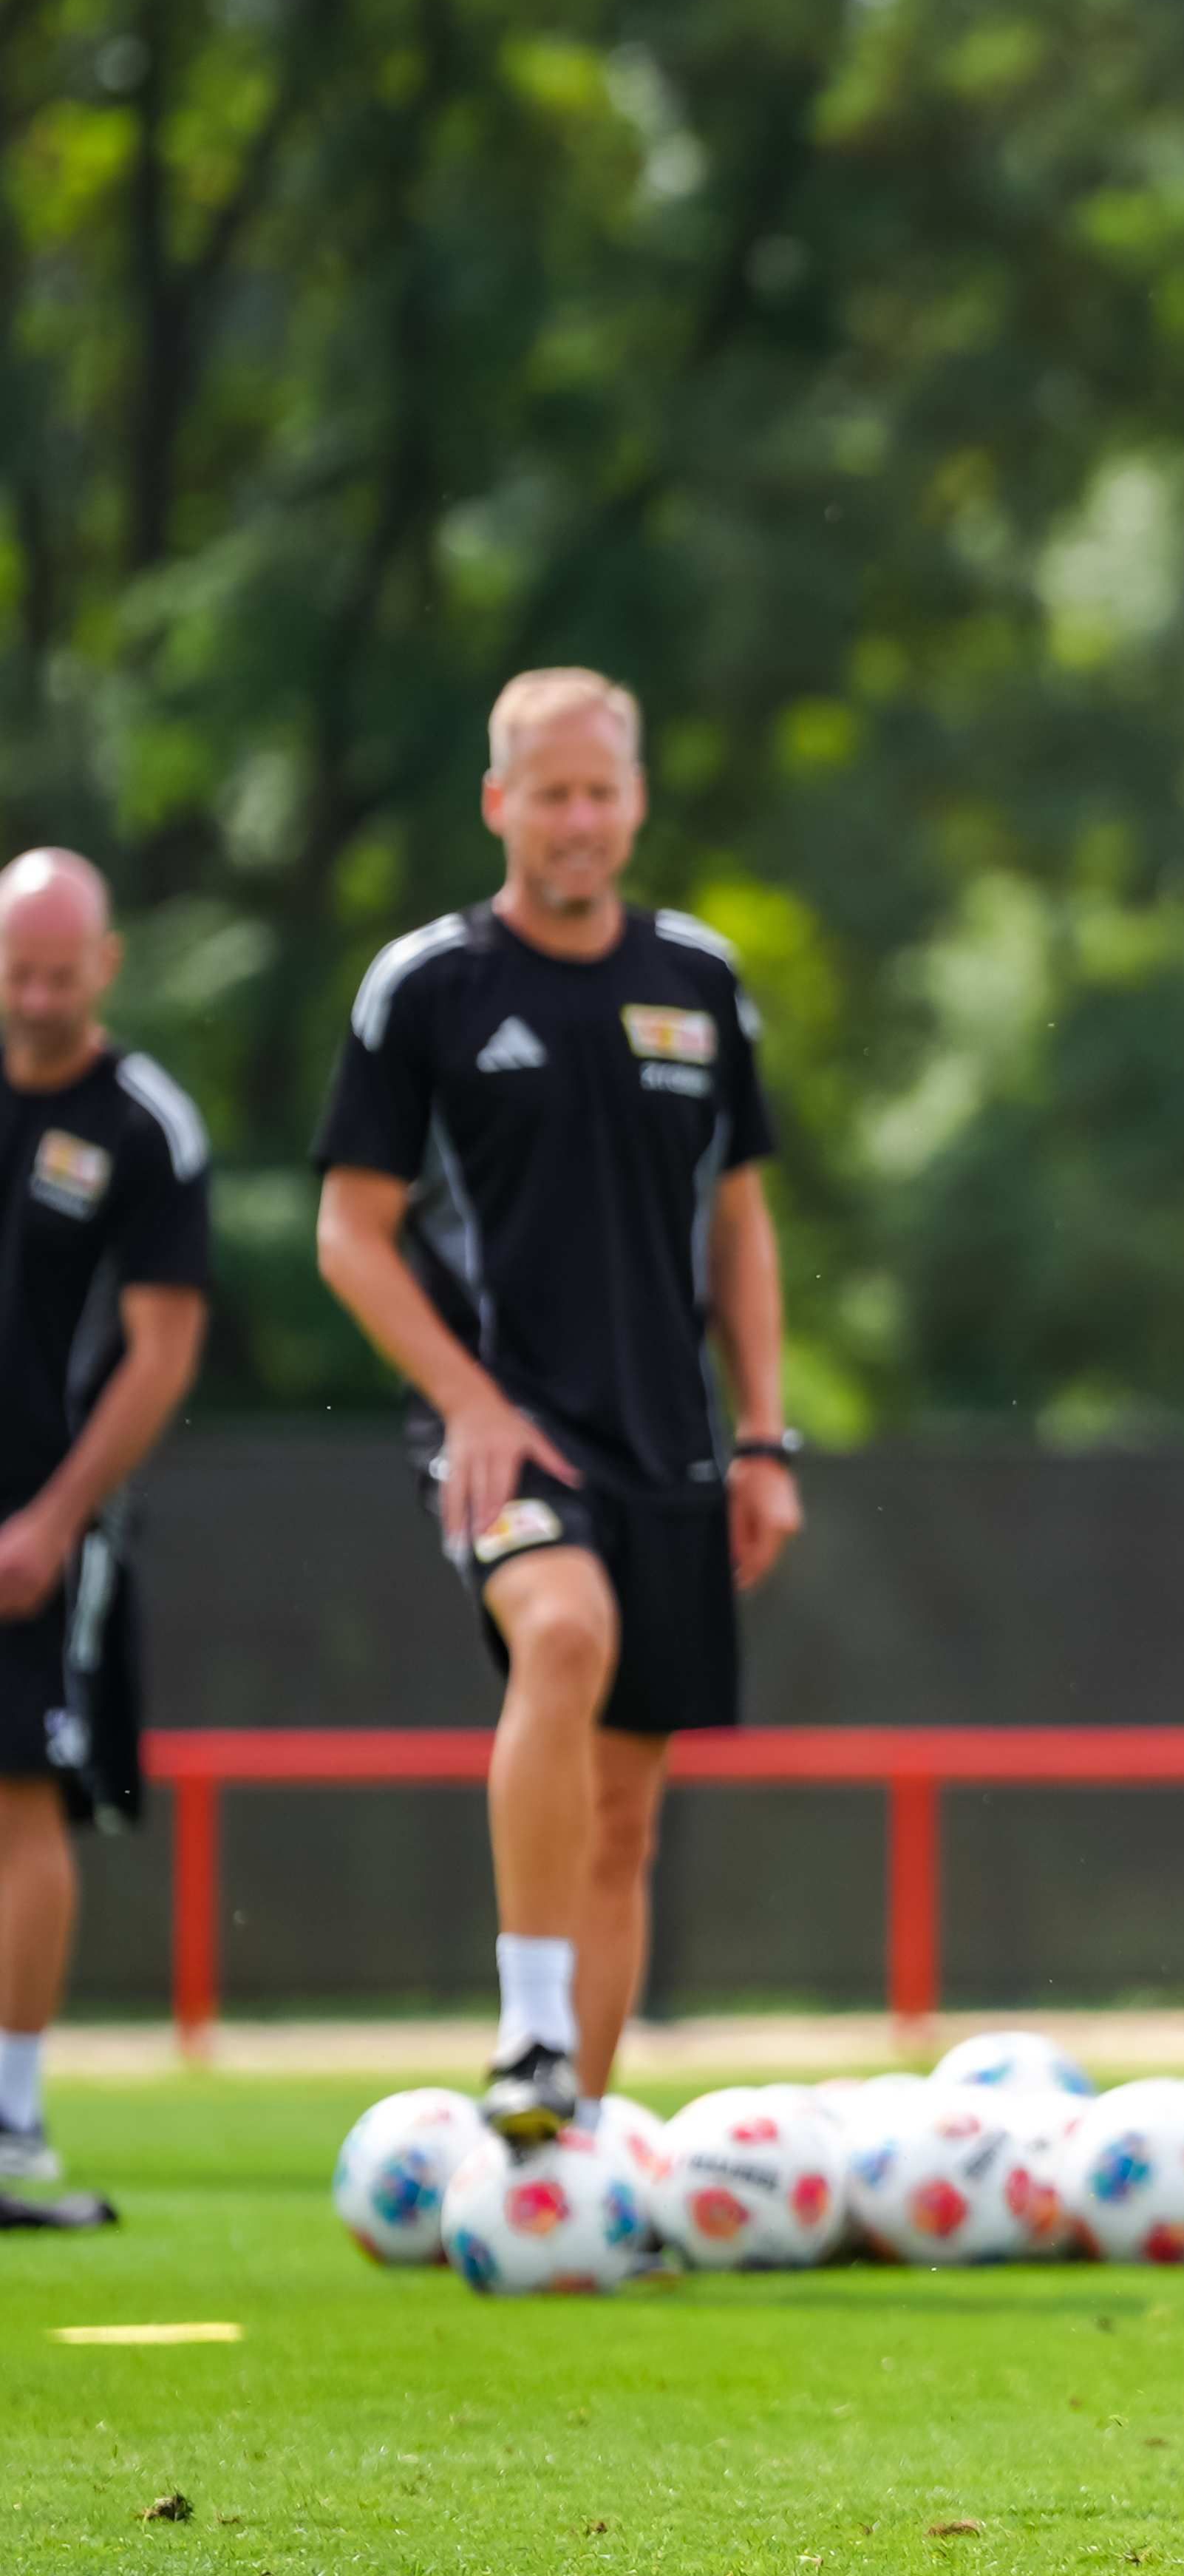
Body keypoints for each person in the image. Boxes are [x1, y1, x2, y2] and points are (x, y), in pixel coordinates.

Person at [311, 669, 805, 2147]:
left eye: (601, 791)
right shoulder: (428, 986)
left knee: (625, 1811)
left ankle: (572, 2144)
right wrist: (466, 1399)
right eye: (551, 793)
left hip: (671, 1432)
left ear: (635, 801)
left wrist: (767, 1436)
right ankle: (528, 2033)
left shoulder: (702, 980)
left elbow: (742, 1225)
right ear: (499, 804)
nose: (578, 819)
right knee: (566, 1629)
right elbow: (349, 1229)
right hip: (503, 1422)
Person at [0, 852, 211, 2206]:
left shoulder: (144, 1127)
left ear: (107, 966)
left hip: (38, 1532)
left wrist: (50, 1521)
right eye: (16, 972)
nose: (36, 997)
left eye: (60, 976)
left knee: (22, 1806)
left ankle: (11, 2126)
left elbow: (163, 1349)